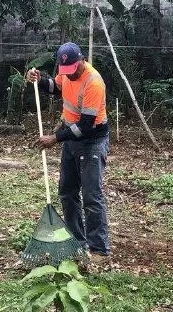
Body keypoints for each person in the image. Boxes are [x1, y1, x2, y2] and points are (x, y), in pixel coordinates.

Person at [26, 42, 111, 269]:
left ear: (81, 61)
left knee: (92, 196)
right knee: (67, 191)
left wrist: (55, 138)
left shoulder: (94, 83)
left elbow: (85, 126)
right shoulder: (67, 73)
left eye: (72, 70)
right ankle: (77, 244)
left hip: (91, 141)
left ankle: (99, 250)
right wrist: (40, 80)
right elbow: (56, 87)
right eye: (65, 72)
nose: (69, 75)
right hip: (72, 140)